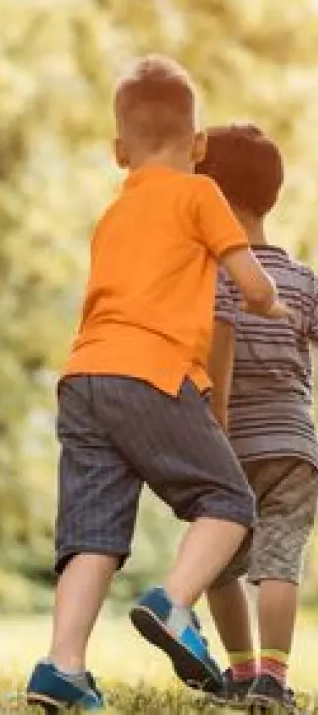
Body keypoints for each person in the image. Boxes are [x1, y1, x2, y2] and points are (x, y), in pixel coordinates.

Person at [23, 56, 289, 711]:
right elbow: (251, 281)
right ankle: (173, 604)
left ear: (120, 152)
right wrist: (271, 303)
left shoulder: (115, 213)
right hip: (153, 372)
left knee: (91, 534)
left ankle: (63, 666)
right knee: (229, 504)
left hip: (84, 377)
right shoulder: (200, 193)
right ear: (200, 146)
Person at [200, 123, 317, 712]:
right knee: (280, 559)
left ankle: (241, 672)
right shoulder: (301, 279)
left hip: (226, 444)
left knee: (218, 563)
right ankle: (273, 677)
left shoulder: (206, 277)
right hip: (294, 445)